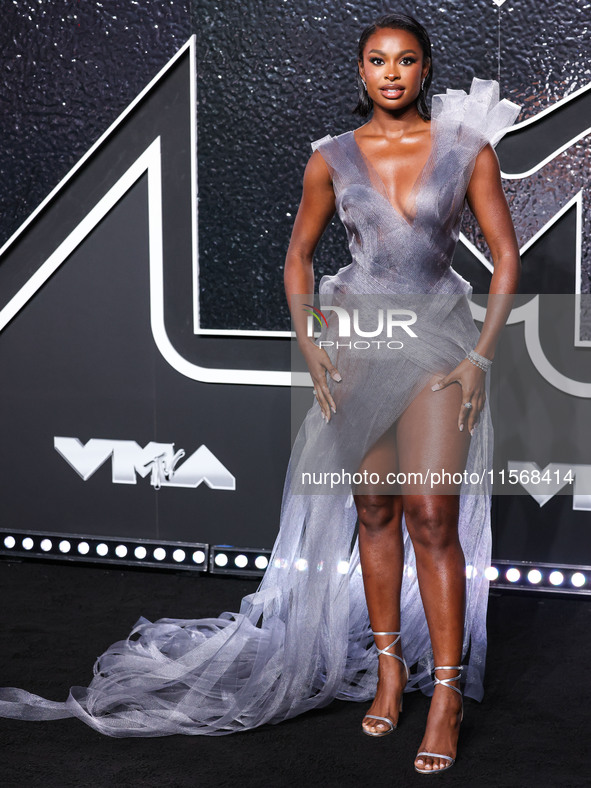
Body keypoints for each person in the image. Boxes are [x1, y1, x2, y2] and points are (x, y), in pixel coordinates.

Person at [0, 11, 521, 774]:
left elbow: (504, 258)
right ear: (360, 72)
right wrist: (308, 342)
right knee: (372, 509)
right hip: (356, 349)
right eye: (376, 61)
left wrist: (479, 357)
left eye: (406, 61)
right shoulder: (330, 159)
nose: (390, 74)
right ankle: (385, 671)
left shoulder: (463, 153)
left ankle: (442, 693)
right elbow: (297, 259)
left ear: (425, 70)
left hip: (439, 346)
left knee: (430, 515)